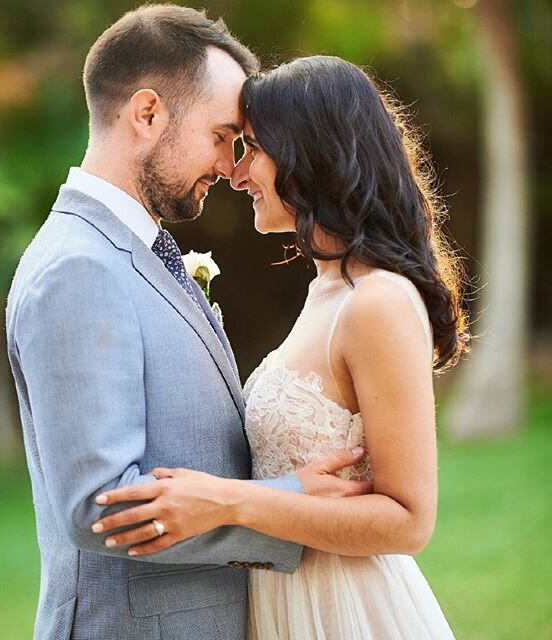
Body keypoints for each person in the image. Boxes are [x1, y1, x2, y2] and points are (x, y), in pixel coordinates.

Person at [6, 8, 369, 640]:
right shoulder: (78, 269)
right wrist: (285, 504)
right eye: (222, 135)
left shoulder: (132, 252)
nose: (232, 168)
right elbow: (100, 508)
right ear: (147, 114)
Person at [92, 55, 470, 639]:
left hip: (345, 611)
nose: (236, 174)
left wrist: (228, 502)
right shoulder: (327, 289)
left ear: (308, 153)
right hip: (281, 603)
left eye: (251, 149)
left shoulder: (378, 302)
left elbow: (408, 520)